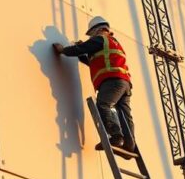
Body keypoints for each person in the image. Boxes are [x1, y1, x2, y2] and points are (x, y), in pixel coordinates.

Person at [52, 16, 135, 152]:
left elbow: (81, 48)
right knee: (125, 114)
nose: (92, 37)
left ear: (98, 30)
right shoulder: (113, 42)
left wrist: (64, 50)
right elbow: (95, 62)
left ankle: (116, 137)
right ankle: (130, 145)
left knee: (103, 105)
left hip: (111, 81)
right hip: (124, 83)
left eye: (92, 34)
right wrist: (81, 53)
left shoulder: (100, 39)